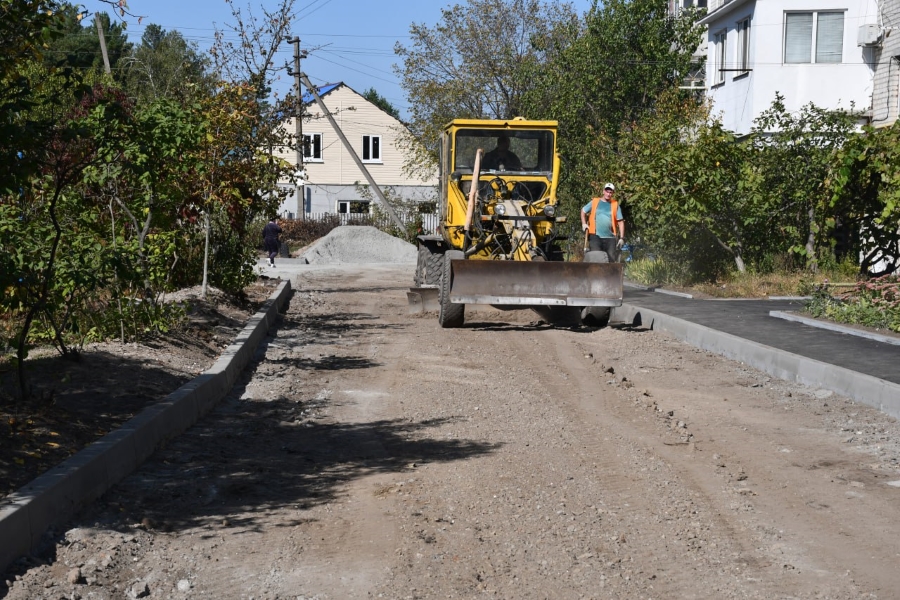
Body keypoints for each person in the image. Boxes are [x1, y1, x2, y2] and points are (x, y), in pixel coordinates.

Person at [581, 182, 625, 262]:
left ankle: (609, 274)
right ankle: (595, 274)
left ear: (612, 193)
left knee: (611, 260)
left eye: (610, 192)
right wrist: (584, 223)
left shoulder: (615, 205)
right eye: (607, 191)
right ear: (603, 191)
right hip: (595, 236)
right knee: (596, 259)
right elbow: (583, 211)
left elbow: (620, 222)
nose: (608, 194)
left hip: (610, 237)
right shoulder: (594, 202)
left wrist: (621, 238)